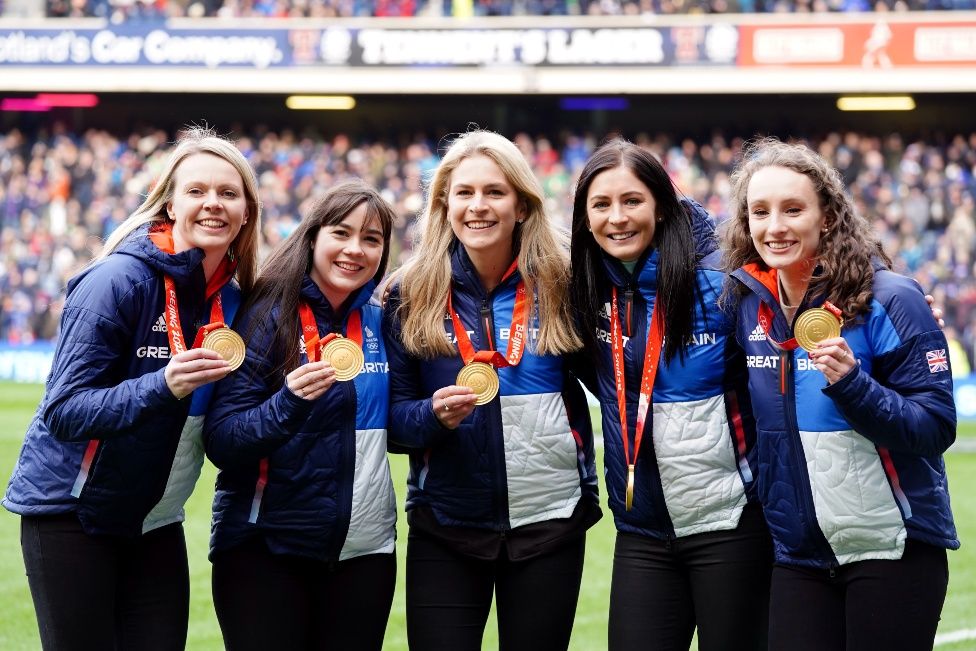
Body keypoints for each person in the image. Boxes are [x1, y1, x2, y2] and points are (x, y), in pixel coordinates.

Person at [2, 126, 261, 650]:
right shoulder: (117, 281)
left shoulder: (236, 303)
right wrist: (161, 385)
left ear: (247, 212)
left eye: (228, 193)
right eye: (197, 191)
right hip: (73, 515)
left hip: (155, 521)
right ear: (168, 203)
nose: (213, 204)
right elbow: (65, 410)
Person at [722, 138, 957, 651]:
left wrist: (853, 385)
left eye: (793, 209)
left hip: (891, 549)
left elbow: (936, 427)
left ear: (826, 216)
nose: (775, 226)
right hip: (800, 556)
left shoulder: (891, 297)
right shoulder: (745, 304)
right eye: (759, 211)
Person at [383, 129, 601, 651]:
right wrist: (433, 417)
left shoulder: (566, 282)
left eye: (495, 192)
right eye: (464, 193)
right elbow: (393, 424)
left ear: (522, 206)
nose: (478, 207)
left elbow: (615, 380)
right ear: (444, 204)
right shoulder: (407, 294)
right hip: (447, 527)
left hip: (549, 523)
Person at [569, 139, 771, 651]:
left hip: (731, 524)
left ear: (661, 204)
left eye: (632, 201)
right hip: (642, 530)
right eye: (601, 204)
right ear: (585, 217)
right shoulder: (584, 291)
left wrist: (891, 301)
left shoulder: (727, 281)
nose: (617, 217)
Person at [203, 181, 397, 651]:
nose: (355, 249)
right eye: (341, 233)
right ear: (313, 237)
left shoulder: (382, 320)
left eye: (371, 239)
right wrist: (287, 402)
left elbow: (401, 425)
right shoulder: (264, 315)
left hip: (364, 554)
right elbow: (223, 441)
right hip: (265, 550)